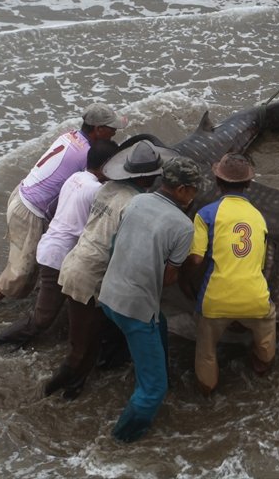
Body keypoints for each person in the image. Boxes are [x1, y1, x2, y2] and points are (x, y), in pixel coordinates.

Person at [48, 139, 178, 399]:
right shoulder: (136, 204)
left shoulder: (106, 188)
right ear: (149, 177)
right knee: (81, 347)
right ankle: (53, 392)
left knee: (90, 338)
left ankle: (75, 384)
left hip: (75, 262)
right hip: (91, 276)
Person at [0, 103, 122, 308]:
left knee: (32, 264)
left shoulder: (71, 136)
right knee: (18, 276)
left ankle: (30, 296)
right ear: (98, 129)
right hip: (30, 210)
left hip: (22, 194)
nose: (115, 132)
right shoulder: (86, 155)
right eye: (111, 128)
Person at [98, 156, 203, 443]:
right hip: (135, 309)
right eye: (193, 190)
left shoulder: (136, 201)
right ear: (182, 190)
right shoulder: (184, 227)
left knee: (160, 324)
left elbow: (115, 244)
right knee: (154, 391)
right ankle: (119, 442)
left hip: (107, 295)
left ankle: (154, 368)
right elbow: (169, 279)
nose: (194, 195)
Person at [0, 139, 120, 350]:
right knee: (43, 319)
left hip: (49, 245)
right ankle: (0, 342)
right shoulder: (97, 191)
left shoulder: (75, 177)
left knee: (61, 300)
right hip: (58, 257)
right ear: (106, 165)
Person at [184, 154, 275, 396]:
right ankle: (262, 364)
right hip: (255, 298)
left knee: (206, 349)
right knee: (267, 324)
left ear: (217, 181)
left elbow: (196, 258)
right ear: (248, 184)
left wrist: (185, 278)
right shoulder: (259, 217)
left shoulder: (205, 214)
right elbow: (260, 262)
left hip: (215, 301)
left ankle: (207, 388)